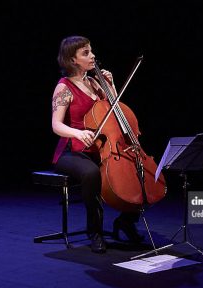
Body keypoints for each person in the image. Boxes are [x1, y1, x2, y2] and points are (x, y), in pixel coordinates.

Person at [51, 36, 143, 253]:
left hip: (101, 149)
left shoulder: (95, 82)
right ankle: (95, 232)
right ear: (72, 59)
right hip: (71, 151)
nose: (92, 56)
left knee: (136, 169)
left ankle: (127, 220)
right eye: (85, 53)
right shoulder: (64, 88)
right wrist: (77, 132)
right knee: (92, 174)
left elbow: (114, 111)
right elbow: (56, 125)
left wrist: (110, 85)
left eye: (91, 51)